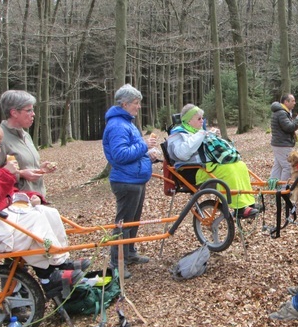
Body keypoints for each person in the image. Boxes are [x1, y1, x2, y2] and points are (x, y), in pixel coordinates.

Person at [0, 113, 87, 292]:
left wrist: (29, 196)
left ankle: (61, 264)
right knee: (33, 224)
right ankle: (49, 277)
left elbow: (0, 193)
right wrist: (6, 175)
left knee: (47, 213)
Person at [102, 84, 159, 279]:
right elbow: (120, 155)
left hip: (136, 179)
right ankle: (117, 262)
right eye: (136, 103)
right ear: (124, 104)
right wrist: (144, 145)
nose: (138, 107)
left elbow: (132, 151)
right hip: (125, 181)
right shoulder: (118, 125)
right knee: (123, 223)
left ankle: (130, 253)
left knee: (133, 221)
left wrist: (147, 154)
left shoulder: (127, 122)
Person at [167, 104, 259, 218]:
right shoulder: (177, 134)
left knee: (240, 165)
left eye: (202, 118)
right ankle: (239, 208)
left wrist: (212, 136)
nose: (202, 121)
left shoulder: (197, 131)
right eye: (199, 119)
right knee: (228, 169)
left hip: (206, 166)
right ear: (189, 120)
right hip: (191, 170)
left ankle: (249, 203)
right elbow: (182, 154)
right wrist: (201, 133)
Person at [0, 90, 57, 197]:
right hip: (17, 204)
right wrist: (21, 174)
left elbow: (24, 165)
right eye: (29, 110)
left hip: (36, 200)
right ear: (14, 113)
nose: (33, 114)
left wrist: (40, 168)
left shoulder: (26, 135)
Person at [270, 94, 298, 181]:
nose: (294, 103)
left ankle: (274, 188)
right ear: (286, 102)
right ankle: (284, 189)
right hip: (282, 144)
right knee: (287, 166)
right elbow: (289, 127)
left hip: (279, 143)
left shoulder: (282, 112)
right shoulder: (281, 113)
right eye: (292, 101)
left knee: (278, 166)